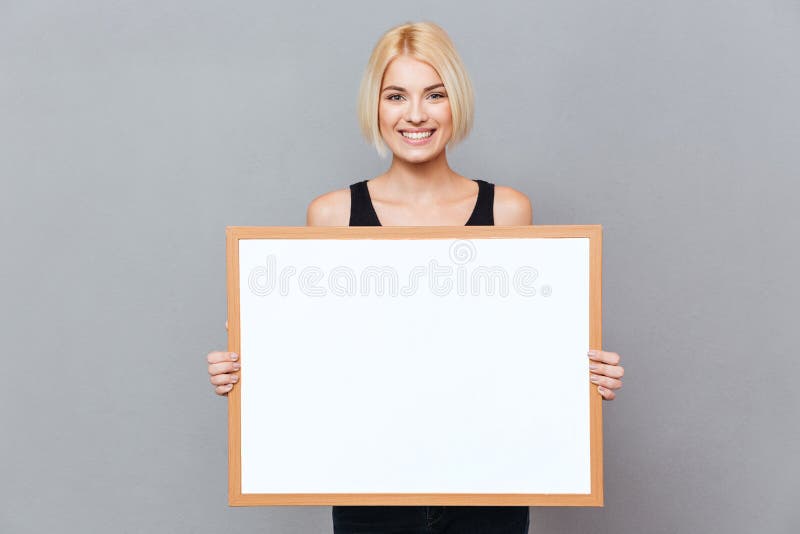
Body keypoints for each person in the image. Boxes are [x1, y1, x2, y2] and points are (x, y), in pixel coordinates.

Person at [206, 21, 625, 534]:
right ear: (375, 106)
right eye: (396, 96)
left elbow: (517, 350)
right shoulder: (332, 215)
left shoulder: (507, 211)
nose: (416, 115)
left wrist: (579, 374)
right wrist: (248, 372)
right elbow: (319, 353)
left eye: (435, 94)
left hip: (489, 483)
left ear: (457, 103)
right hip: (371, 486)